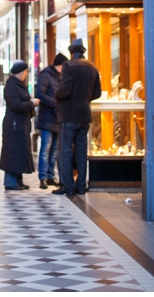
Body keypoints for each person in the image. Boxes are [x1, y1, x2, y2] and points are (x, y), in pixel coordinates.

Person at [54, 38, 101, 196]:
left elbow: (65, 90)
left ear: (71, 52)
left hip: (69, 115)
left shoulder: (68, 65)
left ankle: (67, 186)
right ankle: (81, 186)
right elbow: (97, 93)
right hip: (84, 115)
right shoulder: (92, 67)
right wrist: (84, 99)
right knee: (81, 152)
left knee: (65, 151)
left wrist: (56, 95)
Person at [0, 60, 40, 190]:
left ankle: (18, 180)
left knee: (20, 150)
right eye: (26, 72)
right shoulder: (11, 86)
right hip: (14, 124)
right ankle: (10, 182)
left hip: (21, 123)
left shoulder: (19, 85)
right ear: (20, 72)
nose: (26, 74)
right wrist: (31, 103)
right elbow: (15, 104)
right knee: (13, 151)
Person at [35, 52, 68, 188]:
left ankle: (50, 176)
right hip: (47, 117)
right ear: (59, 66)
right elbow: (40, 94)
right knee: (45, 148)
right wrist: (56, 103)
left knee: (54, 149)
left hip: (57, 118)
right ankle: (42, 177)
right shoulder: (46, 75)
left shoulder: (62, 76)